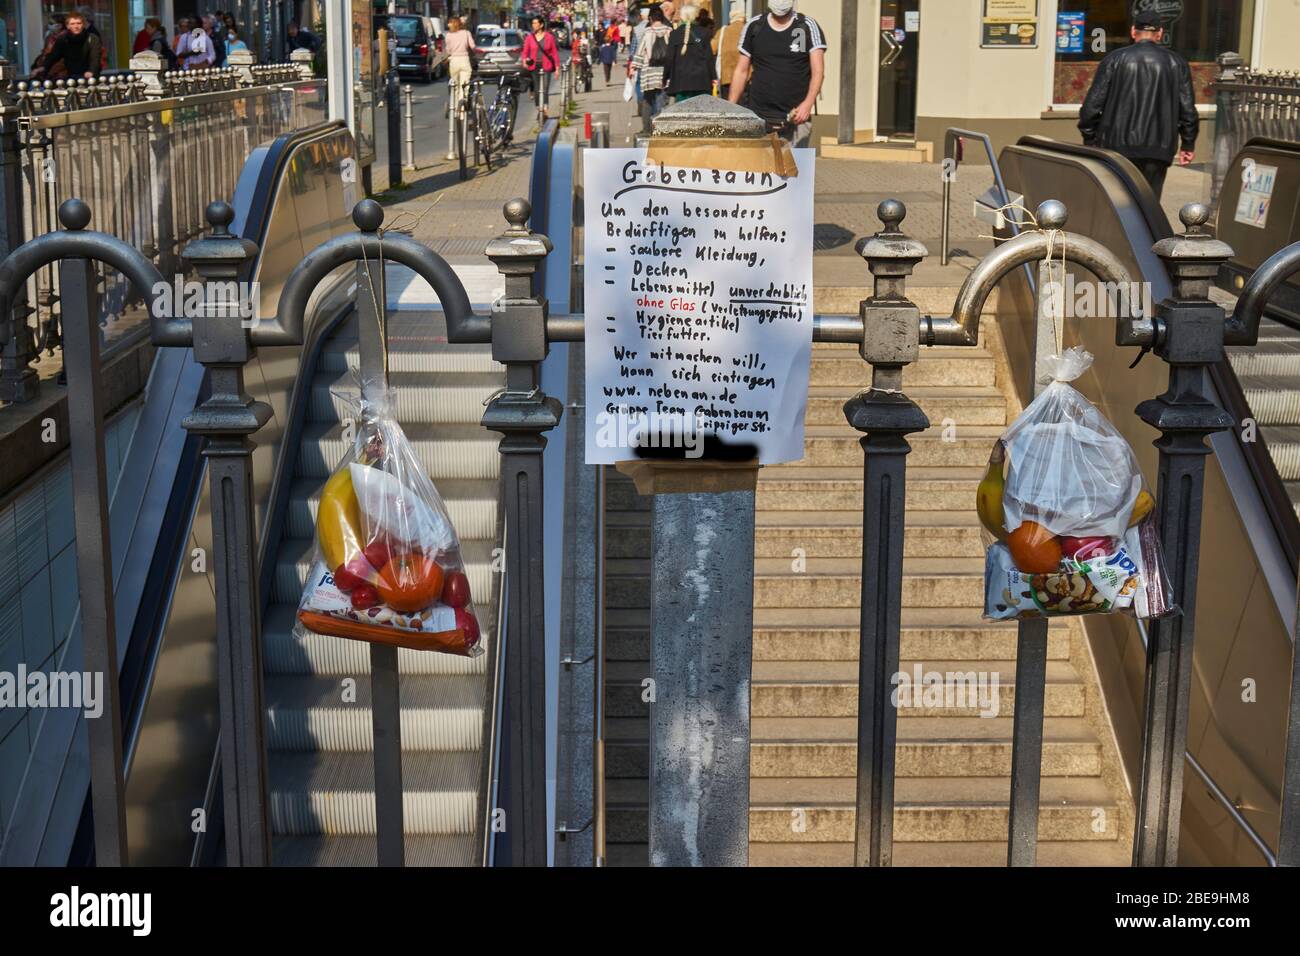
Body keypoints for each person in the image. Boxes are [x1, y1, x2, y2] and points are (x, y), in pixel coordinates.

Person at [1077, 10, 1197, 199]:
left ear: (1133, 31)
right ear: (1159, 33)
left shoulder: (1114, 59)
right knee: (1149, 205)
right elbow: (1188, 109)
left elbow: (1091, 107)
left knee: (1116, 204)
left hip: (1116, 147)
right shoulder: (1177, 63)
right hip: (1158, 149)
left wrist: (1090, 139)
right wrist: (1188, 144)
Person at [728, 1, 826, 147]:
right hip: (759, 118)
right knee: (760, 167)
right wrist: (730, 107)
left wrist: (808, 103)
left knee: (796, 169)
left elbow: (818, 71)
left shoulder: (806, 26)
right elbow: (741, 71)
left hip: (795, 118)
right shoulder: (755, 26)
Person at [631, 5, 672, 133]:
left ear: (650, 19)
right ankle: (660, 130)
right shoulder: (669, 31)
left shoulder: (647, 32)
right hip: (664, 72)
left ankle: (647, 129)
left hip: (649, 72)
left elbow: (640, 52)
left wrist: (634, 67)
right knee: (662, 101)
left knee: (648, 101)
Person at [664, 4, 714, 101]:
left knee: (683, 113)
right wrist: (713, 77)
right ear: (696, 16)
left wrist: (665, 77)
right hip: (702, 81)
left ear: (682, 17)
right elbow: (709, 57)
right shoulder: (704, 32)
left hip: (681, 82)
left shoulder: (674, 34)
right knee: (701, 112)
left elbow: (669, 58)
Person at [32, 11, 102, 80]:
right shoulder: (63, 39)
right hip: (71, 75)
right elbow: (54, 55)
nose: (76, 26)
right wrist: (43, 67)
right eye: (72, 24)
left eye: (79, 23)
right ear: (67, 26)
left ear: (83, 24)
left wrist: (91, 71)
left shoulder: (92, 38)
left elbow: (95, 58)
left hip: (89, 77)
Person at [443, 16, 474, 159]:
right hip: (465, 60)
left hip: (453, 60)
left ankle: (455, 108)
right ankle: (462, 110)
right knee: (465, 86)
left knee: (454, 86)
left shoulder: (448, 36)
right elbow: (472, 46)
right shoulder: (466, 33)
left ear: (452, 24)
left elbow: (448, 50)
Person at [522, 16, 559, 119]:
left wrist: (557, 68)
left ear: (541, 24)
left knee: (545, 88)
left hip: (546, 65)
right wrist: (524, 60)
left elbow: (554, 53)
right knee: (537, 89)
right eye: (533, 23)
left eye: (535, 23)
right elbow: (525, 52)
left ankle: (545, 109)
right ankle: (539, 108)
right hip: (534, 66)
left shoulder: (549, 37)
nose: (533, 25)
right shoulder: (530, 37)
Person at [712, 3, 745, 100]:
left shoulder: (723, 31)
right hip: (746, 78)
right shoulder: (749, 30)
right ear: (743, 18)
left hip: (726, 76)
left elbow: (712, 49)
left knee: (728, 106)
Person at [598, 19, 618, 85]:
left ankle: (607, 80)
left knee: (606, 71)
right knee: (609, 71)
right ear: (610, 41)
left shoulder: (603, 48)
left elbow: (601, 54)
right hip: (609, 61)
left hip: (605, 61)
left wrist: (599, 60)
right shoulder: (611, 48)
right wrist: (614, 61)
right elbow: (614, 54)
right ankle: (608, 80)